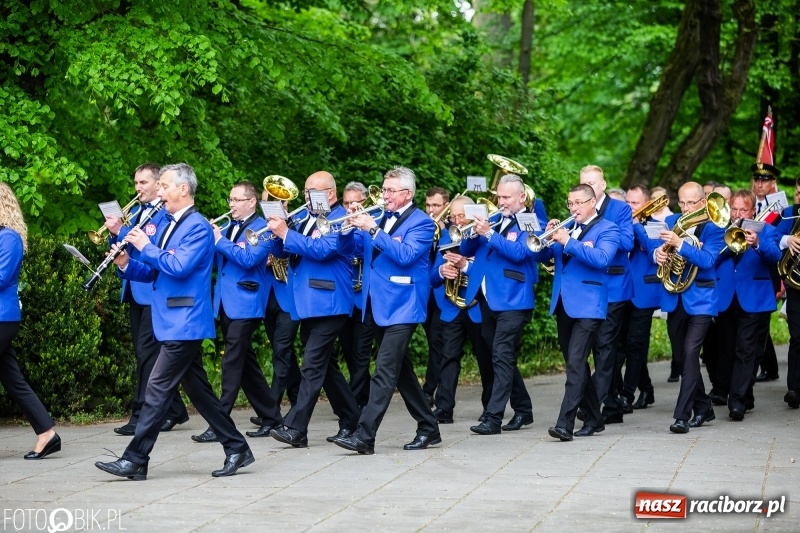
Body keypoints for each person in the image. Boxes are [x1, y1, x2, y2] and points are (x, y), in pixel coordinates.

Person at [95, 163, 254, 479]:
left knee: (156, 387)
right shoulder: (167, 222)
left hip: (186, 319)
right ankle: (237, 447)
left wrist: (145, 246)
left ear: (184, 189)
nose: (159, 190)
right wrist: (127, 263)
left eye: (165, 185)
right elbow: (156, 271)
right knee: (200, 394)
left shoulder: (197, 226)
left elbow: (179, 266)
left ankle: (136, 458)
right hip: (170, 318)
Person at [333, 166, 441, 454]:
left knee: (383, 370)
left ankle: (364, 436)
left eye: (391, 190)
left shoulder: (422, 223)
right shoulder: (378, 217)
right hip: (377, 303)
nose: (384, 195)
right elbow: (352, 250)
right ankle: (429, 427)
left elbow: (405, 256)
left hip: (404, 304)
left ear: (407, 194)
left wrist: (373, 229)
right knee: (400, 371)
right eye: (384, 189)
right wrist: (347, 227)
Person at [268, 171, 361, 447]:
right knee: (325, 368)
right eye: (306, 191)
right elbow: (284, 253)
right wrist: (278, 231)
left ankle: (296, 428)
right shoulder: (303, 219)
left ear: (330, 194)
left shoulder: (339, 219)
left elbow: (323, 250)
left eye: (313, 192)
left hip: (330, 301)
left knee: (311, 365)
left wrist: (287, 233)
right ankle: (352, 419)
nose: (306, 197)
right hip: (307, 303)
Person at [191, 181, 284, 443]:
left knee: (231, 361)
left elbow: (248, 260)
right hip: (225, 300)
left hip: (247, 302)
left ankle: (219, 423)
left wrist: (220, 240)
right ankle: (272, 417)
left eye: (236, 200)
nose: (231, 204)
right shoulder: (230, 227)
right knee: (246, 365)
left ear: (252, 202)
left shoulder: (264, 228)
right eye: (230, 199)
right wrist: (210, 237)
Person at [105, 163, 190, 436]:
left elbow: (153, 251)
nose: (138, 188)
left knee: (146, 355)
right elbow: (129, 249)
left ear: (158, 185)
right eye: (136, 183)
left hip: (152, 293)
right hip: (134, 289)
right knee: (149, 355)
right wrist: (115, 235)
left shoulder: (163, 215)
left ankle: (140, 415)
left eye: (143, 183)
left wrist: (121, 232)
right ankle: (175, 410)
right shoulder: (140, 213)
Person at [531, 184, 620, 440]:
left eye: (578, 203)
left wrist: (567, 241)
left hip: (590, 304)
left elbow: (602, 259)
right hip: (563, 304)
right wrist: (546, 236)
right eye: (570, 203)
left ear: (593, 202)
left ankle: (564, 424)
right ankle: (594, 418)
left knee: (576, 363)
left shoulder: (608, 228)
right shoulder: (567, 228)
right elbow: (539, 256)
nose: (573, 208)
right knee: (576, 364)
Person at [460, 174, 536, 435]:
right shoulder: (492, 220)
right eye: (499, 196)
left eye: (506, 197)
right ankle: (524, 409)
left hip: (514, 299)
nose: (500, 201)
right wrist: (473, 229)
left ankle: (493, 418)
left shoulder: (531, 221)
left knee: (501, 354)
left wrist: (490, 234)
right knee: (501, 357)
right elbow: (465, 248)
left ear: (521, 197)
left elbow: (520, 253)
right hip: (487, 298)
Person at [650, 182, 725, 434]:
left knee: (691, 353)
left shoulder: (714, 228)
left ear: (703, 203)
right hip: (675, 298)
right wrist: (658, 255)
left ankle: (682, 416)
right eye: (681, 202)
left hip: (702, 299)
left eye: (691, 203)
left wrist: (682, 245)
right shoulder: (671, 220)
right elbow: (658, 249)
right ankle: (704, 407)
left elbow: (709, 260)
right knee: (682, 358)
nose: (685, 208)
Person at [0, 182, 61, 460]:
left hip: (3, 317)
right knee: (14, 380)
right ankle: (47, 433)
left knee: (14, 380)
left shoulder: (9, 238)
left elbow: (2, 277)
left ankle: (47, 434)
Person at [714, 189, 780, 420]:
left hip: (754, 298)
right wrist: (727, 241)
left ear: (753, 211)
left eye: (743, 209)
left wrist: (757, 243)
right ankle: (745, 395)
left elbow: (775, 257)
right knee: (731, 350)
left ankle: (737, 402)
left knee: (746, 350)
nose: (738, 213)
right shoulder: (720, 230)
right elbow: (711, 259)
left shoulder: (767, 230)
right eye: (735, 209)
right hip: (726, 298)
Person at [429, 196, 493, 423]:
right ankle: (444, 408)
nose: (456, 221)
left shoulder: (485, 237)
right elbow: (432, 276)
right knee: (448, 357)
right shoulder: (447, 236)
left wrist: (467, 266)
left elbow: (489, 274)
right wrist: (441, 272)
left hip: (477, 307)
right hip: (452, 306)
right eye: (453, 216)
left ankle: (490, 409)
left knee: (485, 359)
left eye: (461, 216)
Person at [579, 165, 634, 425]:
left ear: (602, 185)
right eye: (583, 182)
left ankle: (593, 405)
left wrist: (601, 228)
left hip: (613, 285)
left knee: (605, 346)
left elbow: (627, 242)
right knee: (596, 348)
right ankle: (611, 407)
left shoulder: (620, 209)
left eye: (592, 182)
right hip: (587, 287)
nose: (588, 186)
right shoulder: (578, 206)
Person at [251, 188, 301, 435]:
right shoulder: (264, 227)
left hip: (289, 297)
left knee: (281, 353)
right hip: (269, 296)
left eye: (279, 201)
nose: (273, 204)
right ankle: (299, 401)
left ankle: (270, 413)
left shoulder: (297, 223)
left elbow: (298, 251)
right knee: (284, 354)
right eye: (269, 201)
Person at [618, 185, 660, 411]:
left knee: (635, 343)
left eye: (635, 203)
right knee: (626, 345)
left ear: (646, 205)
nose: (630, 207)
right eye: (628, 202)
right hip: (621, 290)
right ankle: (647, 388)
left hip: (644, 293)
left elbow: (656, 252)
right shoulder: (620, 223)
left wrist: (637, 228)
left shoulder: (655, 226)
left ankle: (627, 394)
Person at [337, 181, 375, 408]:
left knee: (361, 353)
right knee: (349, 352)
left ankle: (353, 404)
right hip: (345, 297)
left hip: (364, 299)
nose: (350, 207)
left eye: (355, 202)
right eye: (346, 202)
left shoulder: (370, 224)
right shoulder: (340, 224)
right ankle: (363, 395)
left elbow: (360, 247)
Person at [422, 186, 449, 406]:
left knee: (437, 341)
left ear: (446, 207)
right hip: (423, 293)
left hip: (442, 293)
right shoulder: (422, 227)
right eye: (429, 205)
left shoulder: (451, 230)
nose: (432, 210)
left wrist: (441, 230)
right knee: (432, 342)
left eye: (436, 206)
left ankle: (430, 390)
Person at [775, 177, 800, 409]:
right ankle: (794, 388)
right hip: (796, 285)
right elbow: (772, 237)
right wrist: (788, 239)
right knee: (797, 337)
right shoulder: (789, 213)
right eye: (798, 192)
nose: (799, 196)